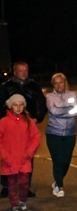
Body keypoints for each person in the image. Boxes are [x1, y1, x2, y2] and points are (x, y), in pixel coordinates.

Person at [0, 61, 47, 198]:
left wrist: (38, 118)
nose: (24, 73)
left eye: (26, 70)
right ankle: (6, 185)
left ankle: (26, 186)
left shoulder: (34, 86)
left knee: (27, 155)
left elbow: (42, 103)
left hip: (27, 124)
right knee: (8, 155)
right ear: (15, 71)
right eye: (21, 70)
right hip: (9, 125)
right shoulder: (6, 86)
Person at [0, 95, 41, 211]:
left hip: (24, 158)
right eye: (15, 105)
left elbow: (36, 137)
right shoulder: (3, 122)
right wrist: (5, 156)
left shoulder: (29, 122)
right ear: (11, 106)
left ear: (24, 106)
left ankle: (22, 201)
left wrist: (29, 153)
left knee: (24, 182)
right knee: (11, 184)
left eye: (21, 105)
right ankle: (14, 205)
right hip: (10, 159)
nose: (18, 108)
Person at [45, 73, 77, 198]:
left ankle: (57, 180)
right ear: (53, 85)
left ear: (65, 82)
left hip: (70, 134)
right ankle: (60, 186)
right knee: (58, 160)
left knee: (66, 161)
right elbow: (53, 111)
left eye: (61, 82)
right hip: (54, 133)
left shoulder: (72, 95)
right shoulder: (50, 96)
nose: (58, 85)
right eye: (56, 83)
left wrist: (65, 110)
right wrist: (69, 109)